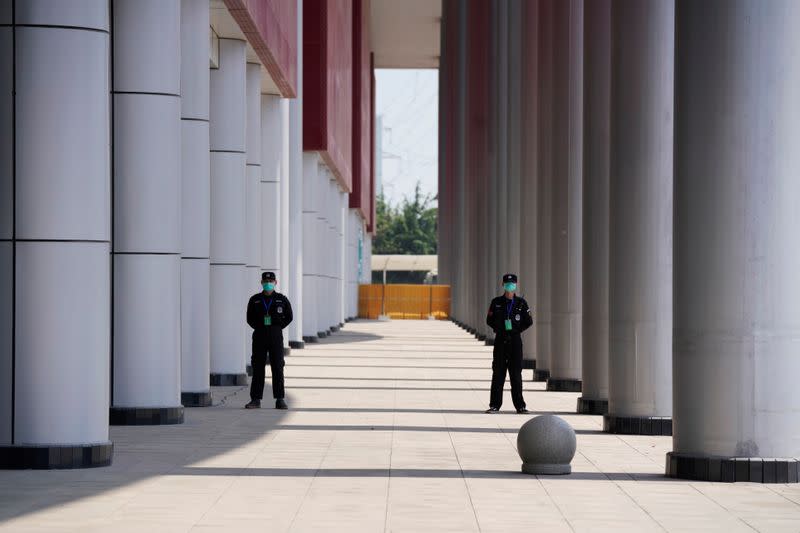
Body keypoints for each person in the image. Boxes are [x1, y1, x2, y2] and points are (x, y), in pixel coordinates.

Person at [485, 273, 533, 413]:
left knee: (516, 375)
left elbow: (528, 321)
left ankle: (520, 406)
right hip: (500, 341)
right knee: (498, 374)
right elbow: (489, 320)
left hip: (515, 342)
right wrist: (499, 329)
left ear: (516, 285)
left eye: (512, 284)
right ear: (503, 285)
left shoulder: (521, 303)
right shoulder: (496, 302)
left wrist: (516, 330)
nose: (509, 286)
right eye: (507, 283)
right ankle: (494, 405)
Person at [245, 272, 293, 409]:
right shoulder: (255, 300)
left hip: (276, 336)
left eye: (271, 280)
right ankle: (255, 399)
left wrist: (277, 327)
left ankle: (280, 399)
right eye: (266, 281)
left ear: (275, 282)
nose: (268, 283)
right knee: (258, 367)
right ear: (261, 282)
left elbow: (289, 316)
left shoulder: (281, 299)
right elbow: (249, 318)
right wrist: (259, 327)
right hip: (259, 335)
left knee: (278, 367)